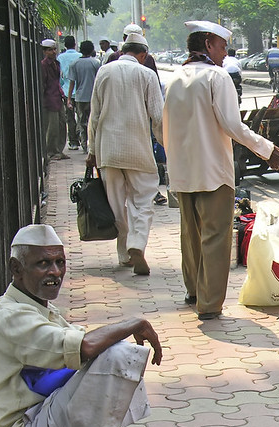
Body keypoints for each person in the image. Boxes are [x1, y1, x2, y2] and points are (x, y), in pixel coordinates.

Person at [0, 224, 162, 427]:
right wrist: (135, 323)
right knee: (116, 355)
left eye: (60, 263)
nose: (55, 272)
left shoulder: (37, 308)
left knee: (110, 353)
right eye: (43, 264)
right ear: (16, 268)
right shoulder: (10, 316)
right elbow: (85, 347)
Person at [163, 20, 279, 320]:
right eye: (221, 46)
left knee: (190, 236)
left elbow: (163, 126)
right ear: (208, 44)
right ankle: (208, 304)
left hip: (183, 172)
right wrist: (268, 150)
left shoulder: (175, 77)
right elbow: (233, 126)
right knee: (216, 238)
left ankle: (193, 290)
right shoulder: (217, 77)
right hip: (213, 171)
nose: (224, 53)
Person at [88, 32, 164, 276]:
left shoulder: (104, 72)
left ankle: (124, 254)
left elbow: (95, 116)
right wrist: (167, 146)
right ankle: (137, 244)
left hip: (108, 151)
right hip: (138, 150)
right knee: (142, 202)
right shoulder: (146, 74)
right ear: (142, 55)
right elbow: (158, 117)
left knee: (117, 206)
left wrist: (91, 150)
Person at [67, 40, 100, 153]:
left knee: (81, 122)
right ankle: (93, 144)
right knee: (94, 121)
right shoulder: (95, 63)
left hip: (80, 98)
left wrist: (68, 99)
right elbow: (98, 81)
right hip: (93, 97)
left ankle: (84, 144)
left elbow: (72, 83)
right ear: (91, 50)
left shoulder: (74, 64)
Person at [40, 39, 68, 161]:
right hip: (50, 99)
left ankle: (59, 150)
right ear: (45, 51)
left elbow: (57, 82)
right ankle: (52, 151)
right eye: (50, 50)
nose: (53, 52)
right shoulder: (44, 65)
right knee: (53, 127)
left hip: (57, 97)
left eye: (54, 49)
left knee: (62, 124)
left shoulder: (56, 63)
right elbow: (44, 83)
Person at [58, 36, 82, 151]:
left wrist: (61, 88)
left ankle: (73, 142)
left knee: (70, 117)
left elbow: (60, 76)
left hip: (67, 92)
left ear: (65, 45)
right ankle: (80, 135)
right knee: (82, 116)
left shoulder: (60, 58)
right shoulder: (80, 56)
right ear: (75, 44)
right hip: (80, 92)